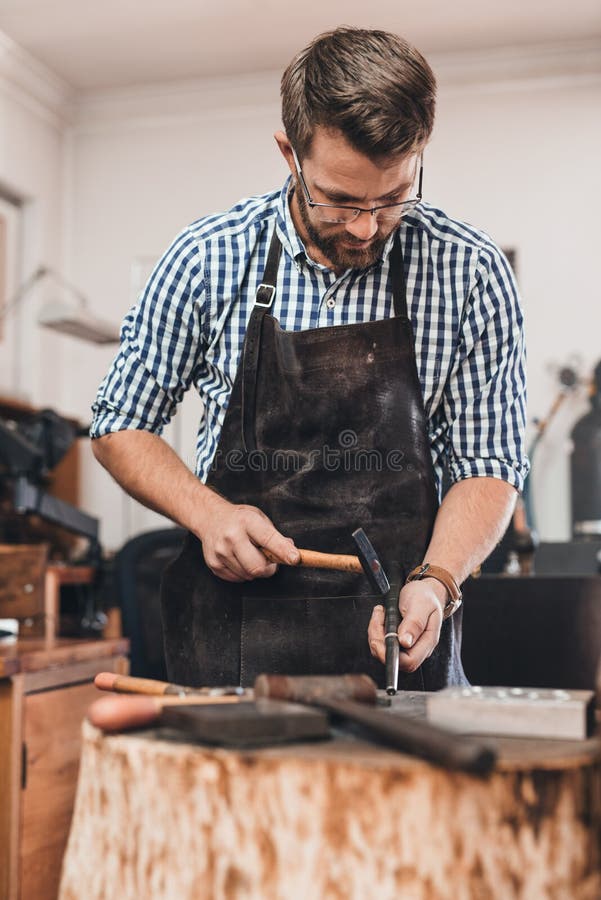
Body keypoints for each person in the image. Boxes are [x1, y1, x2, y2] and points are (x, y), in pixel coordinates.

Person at [91, 26, 528, 689]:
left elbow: (487, 463)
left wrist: (438, 581)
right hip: (234, 653)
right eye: (341, 200)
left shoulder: (468, 271)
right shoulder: (209, 257)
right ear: (287, 153)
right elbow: (118, 422)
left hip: (400, 655)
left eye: (391, 199)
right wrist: (209, 515)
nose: (363, 227)